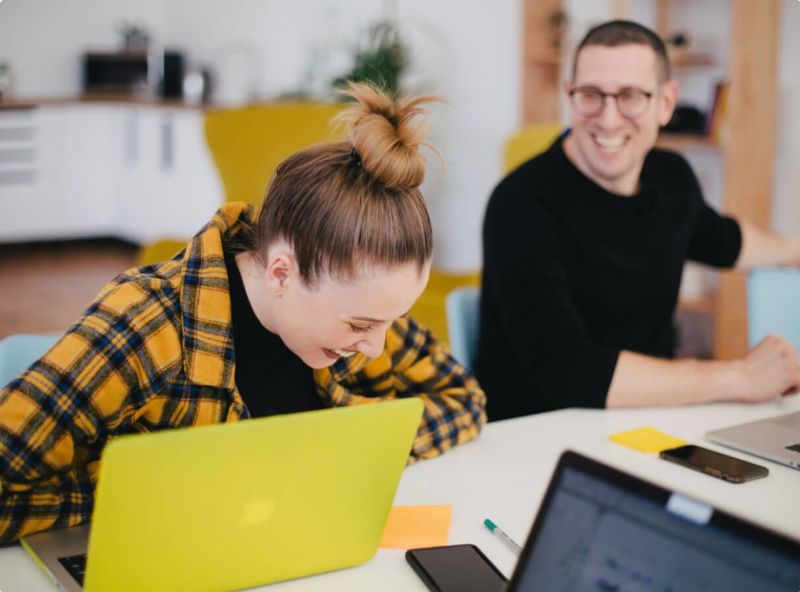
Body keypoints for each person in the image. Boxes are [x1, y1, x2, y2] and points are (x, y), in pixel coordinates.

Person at [0, 82, 486, 543]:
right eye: (361, 325)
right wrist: (144, 487)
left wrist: (347, 449)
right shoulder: (147, 325)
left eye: (390, 321)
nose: (376, 345)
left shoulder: (353, 313)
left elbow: (463, 397)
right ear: (280, 273)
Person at [477, 20, 800, 421]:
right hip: (536, 437)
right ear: (569, 96)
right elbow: (567, 369)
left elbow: (724, 240)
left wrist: (795, 251)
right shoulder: (520, 203)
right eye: (591, 95)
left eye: (630, 96)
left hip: (648, 422)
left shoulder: (672, 179)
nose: (609, 119)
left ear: (665, 103)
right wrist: (740, 377)